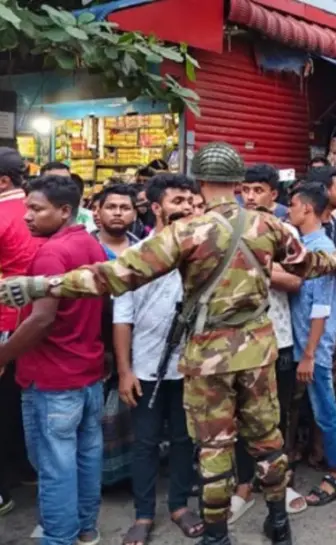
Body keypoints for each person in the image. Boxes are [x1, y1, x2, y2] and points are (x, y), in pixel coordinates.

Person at [0, 142, 336, 545]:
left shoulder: (186, 232)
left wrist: (43, 285)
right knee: (268, 441)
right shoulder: (267, 226)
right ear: (238, 182)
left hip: (207, 357)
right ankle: (279, 524)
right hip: (258, 349)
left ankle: (217, 537)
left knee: (214, 448)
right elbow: (307, 264)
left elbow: (115, 275)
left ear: (201, 183)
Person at [0, 175, 107, 545]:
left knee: (54, 467)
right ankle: (86, 529)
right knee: (86, 457)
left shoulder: (50, 253)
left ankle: (58, 538)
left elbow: (42, 319)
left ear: (64, 211)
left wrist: (2, 355)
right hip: (87, 373)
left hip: (52, 380)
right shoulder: (89, 244)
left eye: (36, 209)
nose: (27, 216)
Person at [114, 174, 203, 545]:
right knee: (145, 443)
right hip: (146, 367)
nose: (185, 207)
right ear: (155, 207)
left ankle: (180, 506)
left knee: (185, 440)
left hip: (190, 367)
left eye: (189, 200)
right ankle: (144, 513)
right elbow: (122, 317)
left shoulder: (202, 253)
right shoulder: (135, 256)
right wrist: (125, 370)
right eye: (176, 200)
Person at [232, 166, 306, 521]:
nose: (250, 196)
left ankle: (279, 481)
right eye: (245, 189)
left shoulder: (285, 230)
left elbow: (295, 281)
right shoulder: (228, 230)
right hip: (237, 339)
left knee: (276, 416)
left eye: (258, 190)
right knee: (242, 414)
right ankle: (244, 484)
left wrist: (252, 267)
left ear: (273, 195)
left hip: (279, 337)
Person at [287, 182, 336, 508]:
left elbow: (323, 308)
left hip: (315, 350)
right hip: (302, 346)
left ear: (307, 208)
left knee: (325, 412)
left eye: (293, 204)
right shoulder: (301, 245)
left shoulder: (322, 251)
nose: (289, 210)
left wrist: (310, 354)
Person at [0, 148, 39, 516]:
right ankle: (25, 469)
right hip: (34, 318)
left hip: (3, 320)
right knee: (17, 398)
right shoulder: (39, 210)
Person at [40, 162, 97, 233]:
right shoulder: (31, 216)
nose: (61, 186)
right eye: (54, 182)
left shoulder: (89, 217)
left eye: (66, 181)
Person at [94, 184, 141, 259]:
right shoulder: (82, 246)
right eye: (110, 207)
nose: (117, 213)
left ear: (135, 215)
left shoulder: (142, 249)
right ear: (99, 212)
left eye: (125, 208)